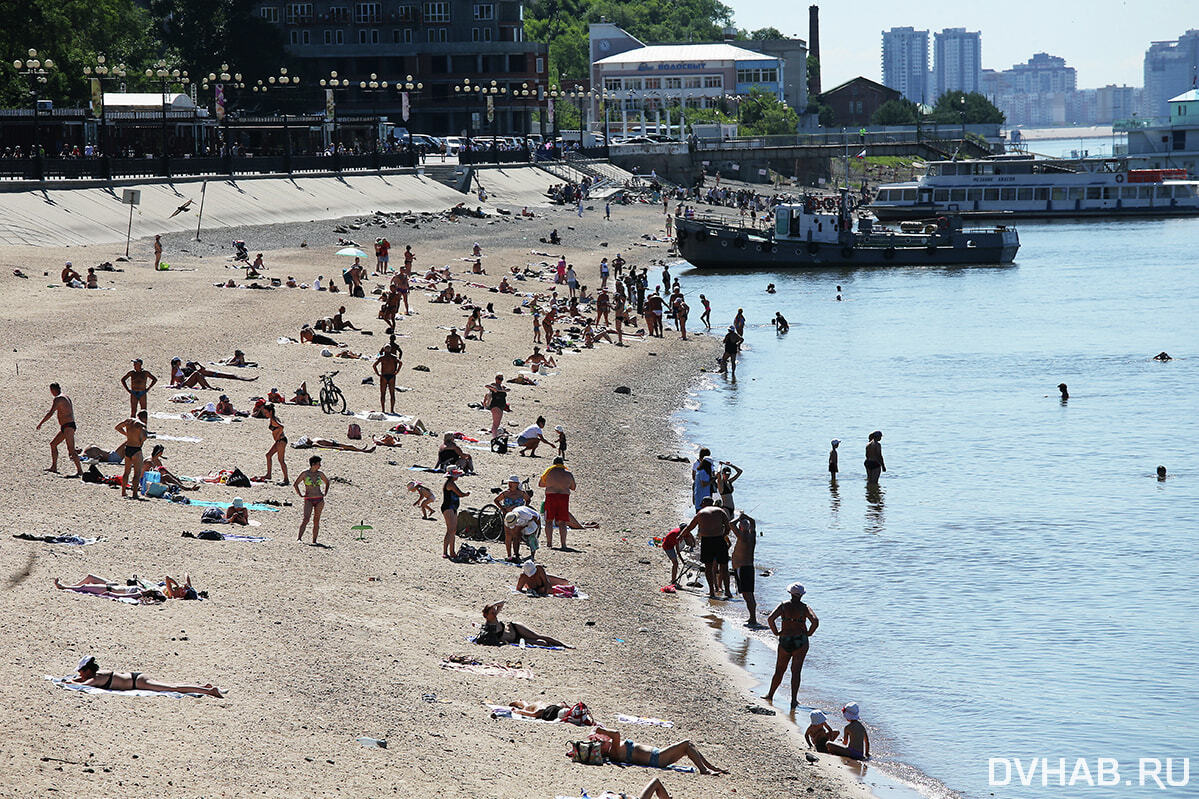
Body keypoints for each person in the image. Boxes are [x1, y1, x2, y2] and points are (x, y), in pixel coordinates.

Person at [763, 583, 820, 708]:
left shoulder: (783, 606)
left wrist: (776, 632)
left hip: (785, 640)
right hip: (800, 641)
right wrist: (808, 634)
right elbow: (815, 621)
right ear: (801, 595)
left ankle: (770, 695)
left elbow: (770, 619)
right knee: (796, 672)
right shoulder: (805, 608)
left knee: (779, 670)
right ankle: (793, 700)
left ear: (790, 593)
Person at [584, 726, 726, 775]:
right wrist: (600, 730)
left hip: (656, 756)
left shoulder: (613, 749)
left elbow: (614, 735)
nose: (600, 740)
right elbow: (616, 733)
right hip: (656, 758)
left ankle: (710, 767)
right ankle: (704, 770)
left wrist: (600, 734)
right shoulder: (613, 752)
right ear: (601, 751)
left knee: (689, 747)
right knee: (686, 745)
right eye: (598, 742)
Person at [71, 655, 223, 698]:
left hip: (138, 683)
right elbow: (79, 681)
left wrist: (69, 681)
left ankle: (210, 691)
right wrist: (73, 679)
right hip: (136, 677)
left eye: (80, 671)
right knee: (172, 685)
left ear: (86, 670)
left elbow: (80, 686)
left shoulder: (95, 679)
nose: (79, 675)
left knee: (173, 687)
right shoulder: (98, 674)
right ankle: (203, 687)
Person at [679, 497, 730, 600]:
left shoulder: (700, 513)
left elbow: (689, 527)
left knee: (708, 567)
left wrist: (680, 536)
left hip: (707, 541)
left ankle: (711, 591)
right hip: (719, 540)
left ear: (703, 504)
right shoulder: (720, 511)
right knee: (724, 566)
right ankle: (728, 591)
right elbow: (728, 527)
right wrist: (722, 535)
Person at [477, 601, 569, 648]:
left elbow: (502, 603)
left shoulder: (494, 617)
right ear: (486, 616)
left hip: (515, 628)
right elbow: (488, 639)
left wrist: (493, 605)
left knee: (537, 636)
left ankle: (564, 645)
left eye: (494, 611)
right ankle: (558, 645)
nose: (494, 613)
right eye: (492, 612)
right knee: (542, 643)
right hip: (516, 639)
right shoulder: (489, 627)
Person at [36, 383, 82, 476]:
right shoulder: (66, 397)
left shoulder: (58, 399)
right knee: (53, 444)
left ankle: (80, 471)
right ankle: (54, 467)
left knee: (71, 450)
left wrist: (41, 423)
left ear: (53, 390)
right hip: (66, 427)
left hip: (68, 426)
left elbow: (50, 413)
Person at [293, 455, 329, 544]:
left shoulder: (320, 474)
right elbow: (296, 484)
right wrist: (300, 494)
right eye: (318, 464)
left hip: (319, 499)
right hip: (309, 498)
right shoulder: (305, 474)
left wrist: (325, 493)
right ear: (313, 464)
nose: (320, 466)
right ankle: (299, 538)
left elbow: (327, 482)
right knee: (306, 518)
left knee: (316, 520)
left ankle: (314, 540)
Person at [730, 511, 758, 626]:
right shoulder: (752, 535)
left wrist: (739, 517)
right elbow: (753, 522)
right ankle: (752, 617)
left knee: (747, 594)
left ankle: (753, 618)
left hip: (743, 568)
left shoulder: (742, 535)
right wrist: (747, 518)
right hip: (748, 567)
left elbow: (731, 524)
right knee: (749, 593)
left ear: (741, 527)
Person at [115, 411, 149, 499]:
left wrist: (127, 434)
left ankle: (123, 492)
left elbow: (117, 427)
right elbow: (143, 437)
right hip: (136, 450)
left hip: (128, 448)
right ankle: (134, 494)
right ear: (145, 418)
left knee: (126, 472)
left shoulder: (129, 422)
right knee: (137, 473)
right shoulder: (140, 425)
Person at [256, 404, 289, 485]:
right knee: (268, 455)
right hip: (278, 441)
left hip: (281, 441)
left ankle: (286, 479)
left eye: (266, 412)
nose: (265, 414)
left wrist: (278, 436)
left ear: (270, 412)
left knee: (281, 460)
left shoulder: (274, 419)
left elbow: (281, 427)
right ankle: (269, 475)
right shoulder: (273, 418)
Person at [441, 469, 468, 558]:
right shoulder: (450, 484)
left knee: (453, 530)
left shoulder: (451, 483)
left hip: (452, 507)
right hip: (448, 507)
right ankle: (445, 551)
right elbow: (459, 493)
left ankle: (452, 551)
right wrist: (466, 494)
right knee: (450, 530)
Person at [373, 344, 402, 414]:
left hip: (384, 376)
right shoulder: (393, 357)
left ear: (384, 349)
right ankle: (392, 410)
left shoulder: (382, 358)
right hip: (392, 376)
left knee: (383, 393)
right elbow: (400, 363)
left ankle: (383, 409)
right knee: (392, 393)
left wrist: (378, 373)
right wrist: (397, 371)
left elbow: (374, 365)